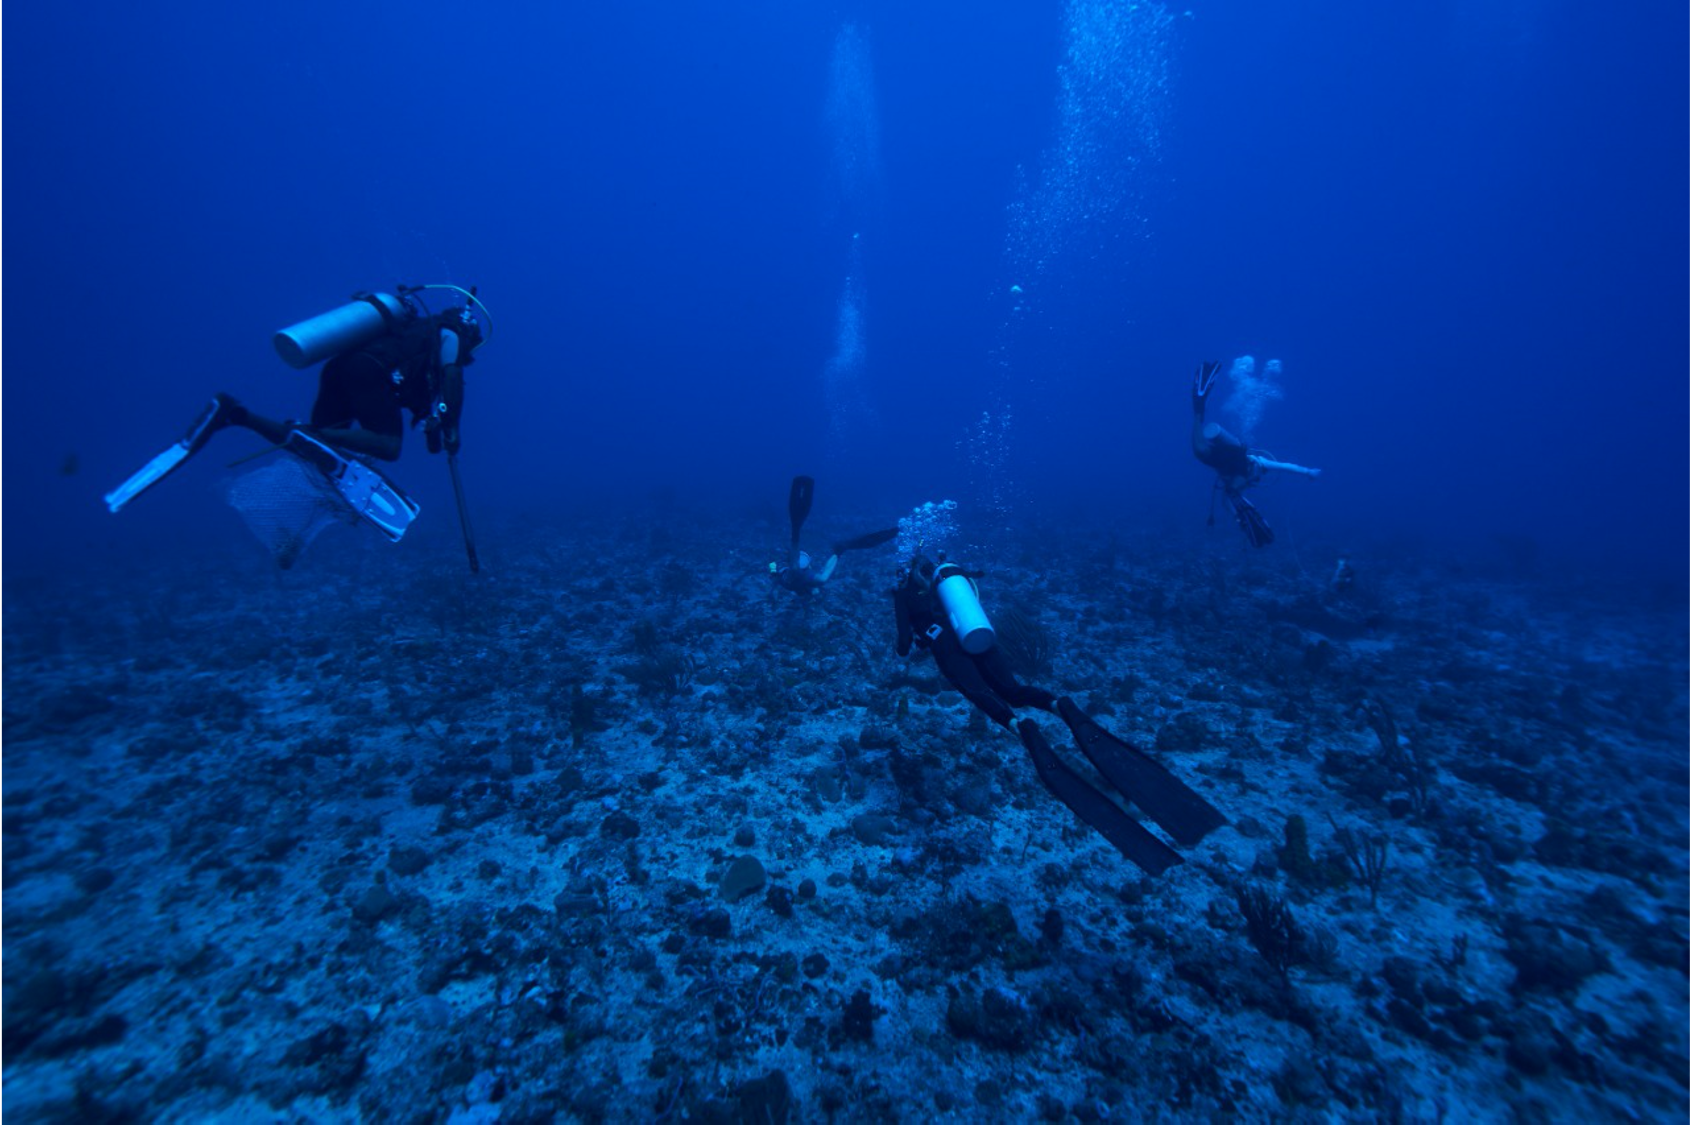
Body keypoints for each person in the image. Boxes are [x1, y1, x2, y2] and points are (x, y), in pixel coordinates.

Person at [891, 554, 1226, 875]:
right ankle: (1059, 706)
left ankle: (1021, 728)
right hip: (978, 636)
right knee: (1013, 691)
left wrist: (910, 640)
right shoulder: (949, 582)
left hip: (947, 647)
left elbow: (904, 644)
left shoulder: (903, 595)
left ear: (905, 573)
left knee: (981, 694)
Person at [105, 285, 487, 516]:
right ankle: (310, 434)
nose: (470, 353)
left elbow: (429, 407)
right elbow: (452, 376)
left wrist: (438, 426)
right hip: (370, 373)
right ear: (469, 331)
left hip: (340, 368)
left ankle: (235, 414)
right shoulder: (450, 333)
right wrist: (454, 428)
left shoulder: (414, 334)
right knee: (387, 446)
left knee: (316, 450)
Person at [1191, 360, 1320, 548]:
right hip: (1237, 458)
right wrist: (1308, 472)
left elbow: (1225, 503)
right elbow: (1285, 466)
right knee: (1231, 488)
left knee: (1200, 451)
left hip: (1224, 459)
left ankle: (1198, 407)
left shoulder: (1246, 475)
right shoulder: (1261, 463)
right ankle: (1200, 405)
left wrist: (1238, 519)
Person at [770, 475, 897, 596]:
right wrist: (837, 554)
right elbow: (818, 581)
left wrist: (775, 571)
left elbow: (774, 566)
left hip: (794, 563)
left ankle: (798, 530)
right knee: (815, 576)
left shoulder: (789, 581)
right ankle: (840, 547)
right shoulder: (806, 581)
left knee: (797, 567)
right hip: (798, 566)